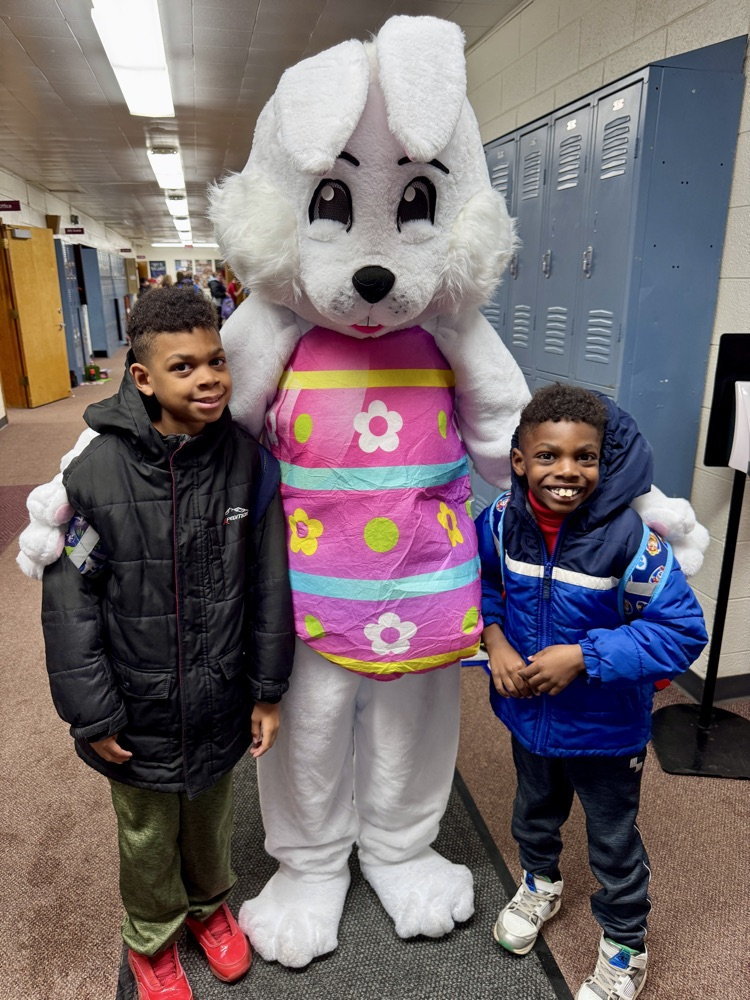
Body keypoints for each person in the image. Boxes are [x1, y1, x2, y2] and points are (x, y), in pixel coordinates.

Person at [41, 287, 295, 1000]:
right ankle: (152, 935)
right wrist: (92, 713)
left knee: (211, 817)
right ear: (143, 377)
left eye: (216, 361)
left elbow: (270, 583)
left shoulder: (248, 463)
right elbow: (69, 606)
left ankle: (209, 907)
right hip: (136, 705)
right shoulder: (94, 473)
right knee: (149, 834)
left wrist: (267, 690)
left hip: (218, 694)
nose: (208, 378)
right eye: (183, 367)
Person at [475, 383, 707, 1000]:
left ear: (604, 462)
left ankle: (625, 945)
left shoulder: (632, 539)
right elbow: (481, 583)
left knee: (612, 839)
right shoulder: (499, 521)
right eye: (547, 455)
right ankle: (540, 883)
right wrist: (494, 640)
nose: (567, 471)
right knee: (533, 811)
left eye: (585, 457)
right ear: (520, 460)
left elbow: (682, 631)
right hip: (529, 716)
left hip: (606, 729)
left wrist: (584, 657)